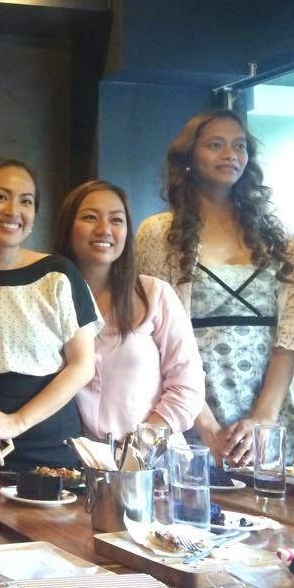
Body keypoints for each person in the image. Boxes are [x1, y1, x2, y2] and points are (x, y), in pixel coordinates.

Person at [137, 111, 294, 466]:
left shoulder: (280, 236)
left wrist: (263, 420)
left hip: (269, 413)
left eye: (239, 146)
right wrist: (209, 428)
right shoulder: (158, 234)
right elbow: (155, 338)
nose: (230, 154)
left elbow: (290, 334)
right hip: (192, 409)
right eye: (215, 145)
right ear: (188, 157)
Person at [0, 159, 100, 472]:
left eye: (26, 201)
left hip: (52, 449)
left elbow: (82, 365)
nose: (13, 210)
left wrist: (16, 422)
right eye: (1, 196)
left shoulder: (59, 273)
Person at [55, 180, 205, 441]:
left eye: (116, 220)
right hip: (73, 459)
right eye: (90, 217)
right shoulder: (47, 301)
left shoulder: (155, 294)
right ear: (68, 227)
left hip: (153, 459)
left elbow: (188, 387)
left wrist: (138, 446)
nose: (104, 229)